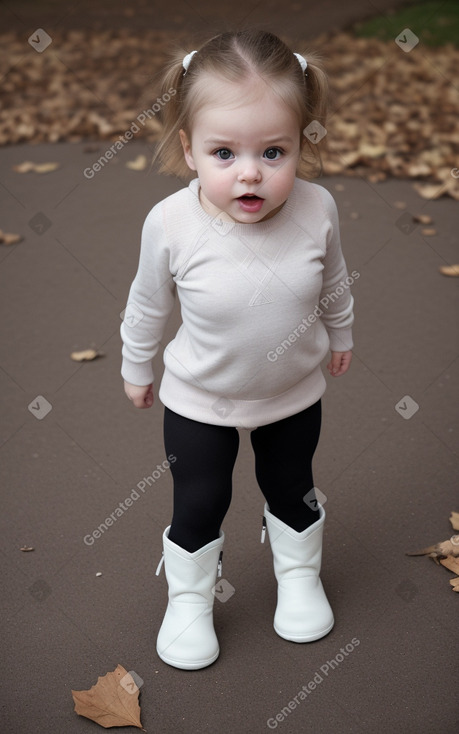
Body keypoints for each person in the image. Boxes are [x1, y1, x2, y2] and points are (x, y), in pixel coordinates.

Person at [120, 29, 355, 671]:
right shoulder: (171, 223)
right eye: (224, 152)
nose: (250, 172)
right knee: (199, 497)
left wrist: (342, 334)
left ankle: (299, 577)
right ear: (188, 148)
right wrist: (136, 365)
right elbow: (148, 304)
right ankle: (190, 598)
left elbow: (334, 282)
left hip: (291, 395)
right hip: (200, 400)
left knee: (293, 486)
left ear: (302, 143)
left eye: (272, 151)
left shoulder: (317, 209)